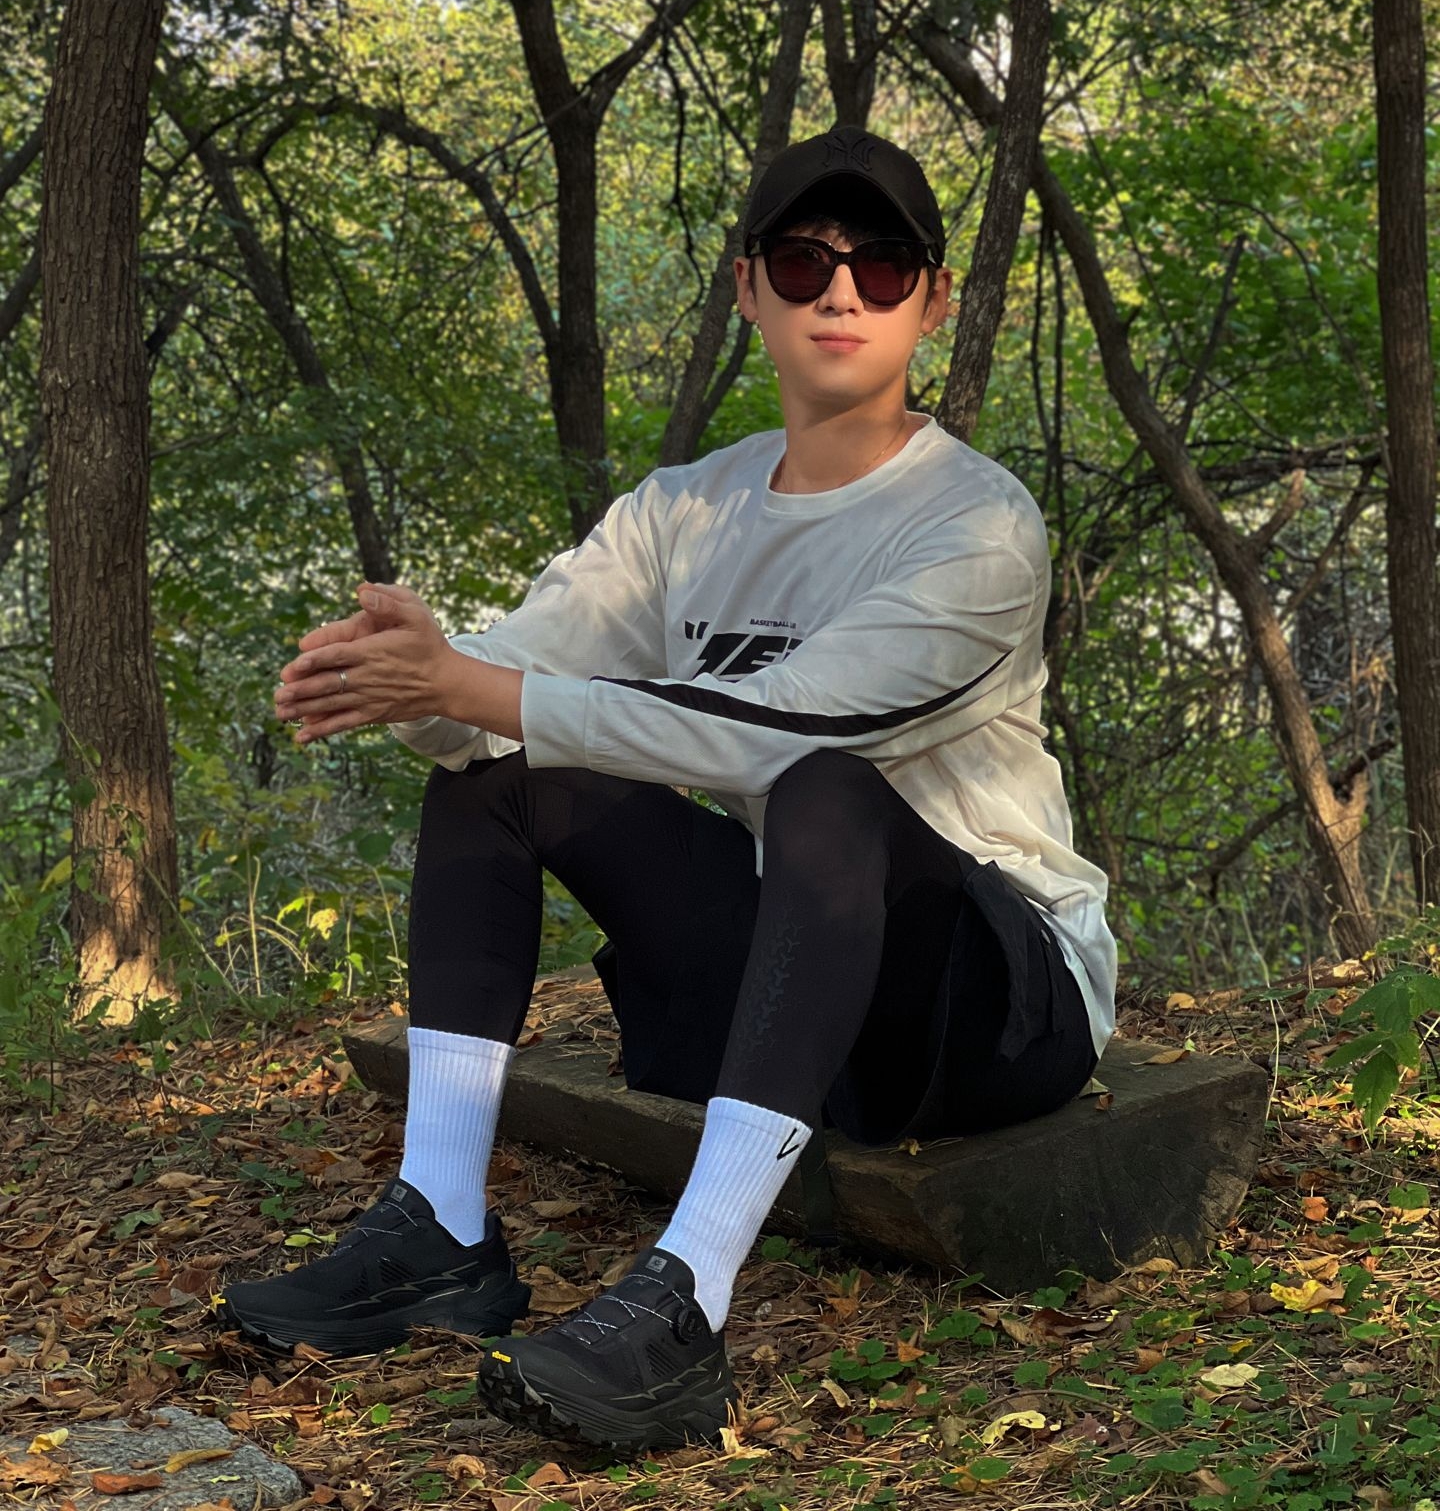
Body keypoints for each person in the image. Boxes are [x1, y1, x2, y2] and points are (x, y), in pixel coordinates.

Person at [220, 124, 1118, 1456]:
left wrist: (475, 688)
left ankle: (685, 1303)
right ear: (748, 285)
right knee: (502, 772)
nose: (841, 292)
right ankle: (442, 1227)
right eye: (805, 260)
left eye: (881, 265)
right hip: (797, 974)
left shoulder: (977, 526)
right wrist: (409, 680)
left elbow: (782, 733)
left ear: (933, 300)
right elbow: (499, 697)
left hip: (989, 1004)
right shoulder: (683, 510)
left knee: (822, 786)